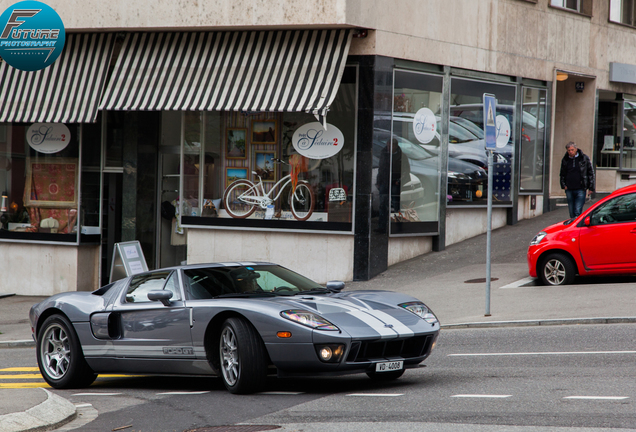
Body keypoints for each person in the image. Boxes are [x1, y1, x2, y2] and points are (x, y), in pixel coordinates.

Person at [559, 141, 595, 218]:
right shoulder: (565, 160)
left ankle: (576, 226)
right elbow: (562, 173)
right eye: (569, 150)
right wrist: (563, 185)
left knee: (577, 210)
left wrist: (591, 187)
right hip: (569, 188)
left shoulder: (584, 158)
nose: (570, 152)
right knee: (571, 211)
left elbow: (590, 173)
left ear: (576, 149)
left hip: (580, 188)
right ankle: (573, 225)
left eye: (572, 150)